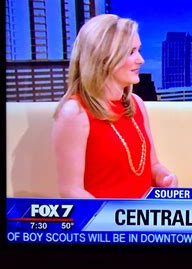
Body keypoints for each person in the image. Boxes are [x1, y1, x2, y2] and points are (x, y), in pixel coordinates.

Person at [52, 14, 178, 198]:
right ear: (103, 58)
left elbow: (152, 166)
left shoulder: (137, 104)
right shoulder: (74, 112)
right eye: (131, 52)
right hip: (102, 223)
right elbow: (71, 191)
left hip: (143, 217)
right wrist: (116, 221)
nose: (141, 60)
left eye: (139, 50)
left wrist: (165, 177)